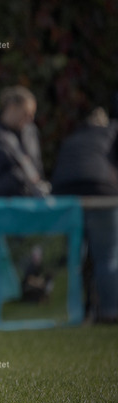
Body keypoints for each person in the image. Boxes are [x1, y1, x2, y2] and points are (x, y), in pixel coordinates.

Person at [51, 106, 118, 322]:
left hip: (64, 194)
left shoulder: (72, 137)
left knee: (72, 257)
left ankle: (69, 312)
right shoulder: (113, 131)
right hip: (100, 191)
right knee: (107, 256)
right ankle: (110, 312)